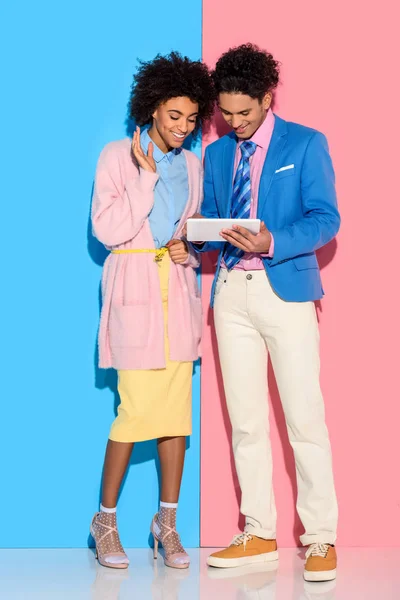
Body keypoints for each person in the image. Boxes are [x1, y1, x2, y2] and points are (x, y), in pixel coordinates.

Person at [191, 44, 340, 582]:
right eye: (226, 114)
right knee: (246, 421)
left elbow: (326, 219)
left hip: (287, 292)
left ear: (266, 97)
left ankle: (321, 536)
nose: (235, 123)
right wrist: (198, 238)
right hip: (230, 293)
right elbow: (212, 216)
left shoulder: (306, 143)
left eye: (244, 113)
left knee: (304, 417)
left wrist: (274, 237)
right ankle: (258, 531)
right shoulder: (216, 153)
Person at [90, 52, 215, 570]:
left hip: (178, 293)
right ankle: (105, 521)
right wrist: (144, 179)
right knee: (134, 412)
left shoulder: (193, 164)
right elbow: (108, 229)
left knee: (176, 421)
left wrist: (194, 249)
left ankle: (167, 524)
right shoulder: (117, 156)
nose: (183, 128)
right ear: (152, 109)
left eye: (191, 118)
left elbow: (191, 228)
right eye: (173, 117)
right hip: (136, 290)